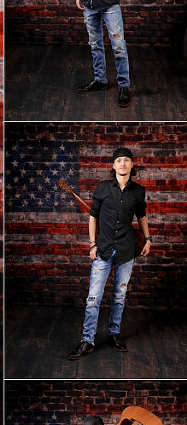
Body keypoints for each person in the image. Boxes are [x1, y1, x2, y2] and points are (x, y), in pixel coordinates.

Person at [68, 147, 151, 359]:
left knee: (119, 296)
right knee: (93, 298)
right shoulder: (102, 188)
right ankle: (88, 340)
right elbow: (93, 217)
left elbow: (141, 216)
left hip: (127, 250)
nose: (122, 163)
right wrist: (92, 244)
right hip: (103, 250)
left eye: (126, 160)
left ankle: (114, 334)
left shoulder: (138, 191)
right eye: (119, 160)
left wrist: (148, 239)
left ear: (132, 165)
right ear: (113, 165)